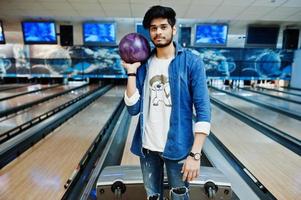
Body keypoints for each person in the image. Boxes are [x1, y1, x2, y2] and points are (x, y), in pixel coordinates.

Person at [122, 5, 211, 200]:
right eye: (153, 28)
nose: (158, 32)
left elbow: (203, 110)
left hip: (178, 147)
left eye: (163, 26)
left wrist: (195, 155)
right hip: (147, 149)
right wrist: (131, 71)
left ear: (174, 28)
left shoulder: (192, 62)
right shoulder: (143, 64)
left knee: (179, 197)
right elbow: (132, 109)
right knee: (152, 197)